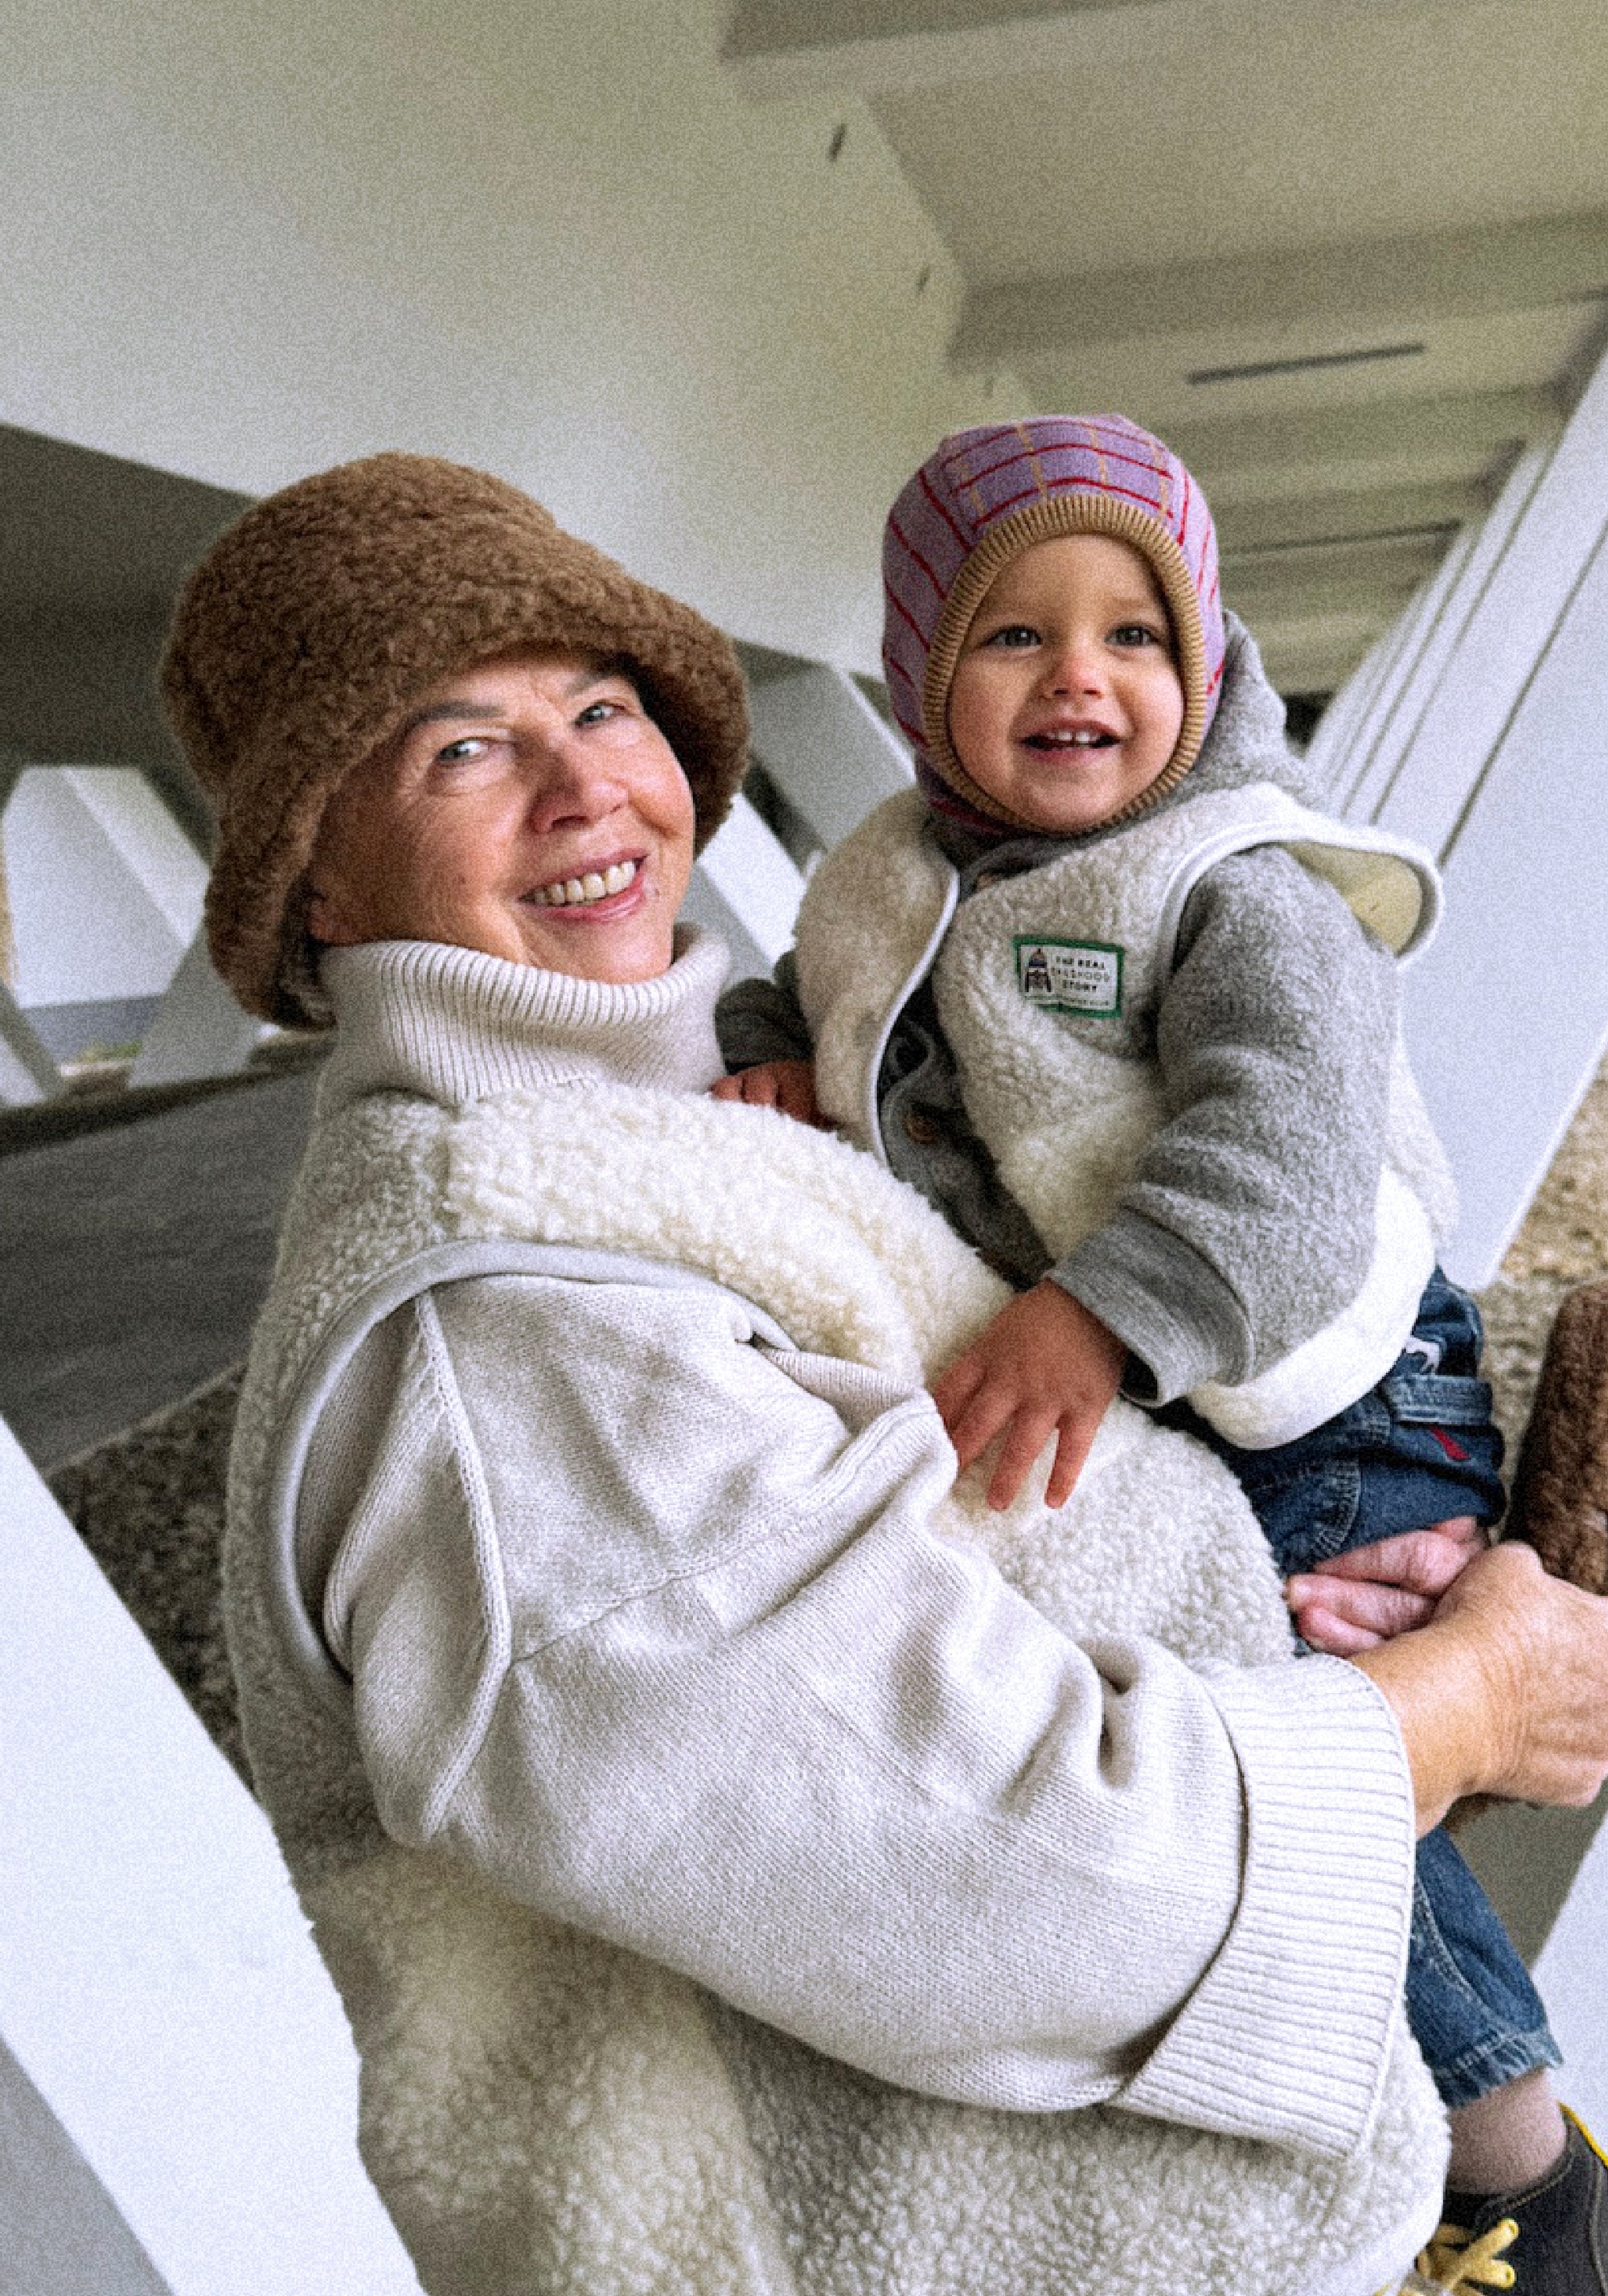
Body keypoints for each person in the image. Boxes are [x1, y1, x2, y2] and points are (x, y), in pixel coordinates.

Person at [162, 451, 1608, 2296]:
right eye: (460, 750)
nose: (584, 783)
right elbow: (1009, 1867)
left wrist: (1303, 1607)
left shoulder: (681, 1134)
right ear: (315, 882)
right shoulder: (496, 1343)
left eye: (602, 706)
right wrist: (1450, 1714)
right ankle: (1528, 2177)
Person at [715, 414, 1594, 2250]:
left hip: (1325, 1382)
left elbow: (1281, 1159)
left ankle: (1513, 2160)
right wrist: (771, 1057)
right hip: (1129, 1380)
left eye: (1133, 634)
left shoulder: (1238, 882)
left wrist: (1098, 1315)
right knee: (1149, 1731)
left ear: (1201, 662)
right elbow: (811, 980)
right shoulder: (893, 868)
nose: (1081, 680)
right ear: (917, 675)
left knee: (1304, 1741)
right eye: (1014, 639)